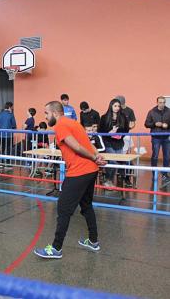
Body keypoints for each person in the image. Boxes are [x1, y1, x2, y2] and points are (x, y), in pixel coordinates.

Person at [34, 101, 106, 259]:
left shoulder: (60, 126)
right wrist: (97, 157)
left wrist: (95, 156)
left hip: (79, 172)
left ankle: (56, 249)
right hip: (91, 169)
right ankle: (93, 241)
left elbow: (77, 147)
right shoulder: (74, 123)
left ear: (55, 113)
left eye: (46, 113)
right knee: (86, 206)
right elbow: (87, 143)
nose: (45, 117)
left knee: (63, 209)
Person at [98, 99, 130, 187]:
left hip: (119, 142)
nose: (117, 108)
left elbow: (126, 129)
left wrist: (120, 135)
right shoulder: (104, 117)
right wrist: (109, 133)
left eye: (118, 106)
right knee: (112, 161)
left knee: (116, 162)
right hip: (108, 142)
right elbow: (100, 131)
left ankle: (109, 180)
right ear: (111, 106)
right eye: (115, 106)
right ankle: (108, 180)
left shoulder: (123, 117)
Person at [144, 96, 170, 185]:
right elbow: (146, 124)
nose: (162, 104)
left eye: (163, 102)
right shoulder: (151, 112)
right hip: (156, 137)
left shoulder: (169, 111)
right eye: (160, 102)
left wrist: (168, 126)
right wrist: (154, 124)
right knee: (155, 156)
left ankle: (165, 174)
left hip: (166, 137)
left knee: (167, 156)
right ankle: (154, 173)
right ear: (157, 102)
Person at [0, 102, 16, 167]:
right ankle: (7, 163)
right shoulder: (11, 115)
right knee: (8, 149)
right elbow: (14, 125)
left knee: (2, 148)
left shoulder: (0, 114)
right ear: (9, 107)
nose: (12, 109)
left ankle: (1, 162)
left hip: (1, 134)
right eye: (12, 108)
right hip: (9, 135)